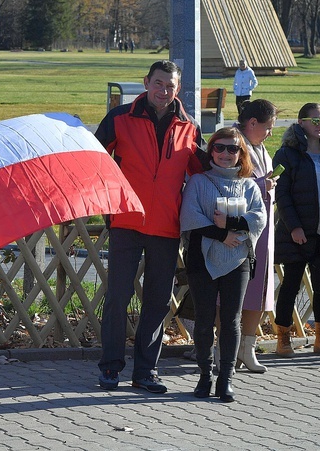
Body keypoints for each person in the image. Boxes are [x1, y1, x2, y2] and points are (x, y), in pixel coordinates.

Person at [95, 60, 206, 393]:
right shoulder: (120, 118)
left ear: (178, 89)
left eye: (170, 86)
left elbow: (205, 174)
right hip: (126, 221)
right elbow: (95, 158)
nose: (163, 91)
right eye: (158, 83)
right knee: (117, 296)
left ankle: (145, 371)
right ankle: (111, 367)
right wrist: (107, 204)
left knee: (158, 301)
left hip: (166, 226)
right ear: (146, 83)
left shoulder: (189, 127)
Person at [180, 127, 266, 402]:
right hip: (201, 259)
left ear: (242, 154)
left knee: (231, 320)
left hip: (238, 259)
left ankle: (226, 378)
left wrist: (232, 227)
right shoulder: (197, 182)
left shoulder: (250, 185)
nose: (226, 154)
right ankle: (205, 376)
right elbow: (190, 217)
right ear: (211, 151)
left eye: (233, 149)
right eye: (220, 148)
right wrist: (223, 235)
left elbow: (259, 218)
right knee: (204, 321)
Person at [272, 103, 320, 357]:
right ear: (300, 122)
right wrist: (293, 227)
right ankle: (283, 336)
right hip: (299, 233)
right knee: (291, 285)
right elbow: (281, 195)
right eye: (314, 120)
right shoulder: (287, 154)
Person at [231, 99, 279, 373]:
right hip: (239, 229)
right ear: (252, 124)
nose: (270, 133)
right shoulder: (233, 144)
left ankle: (247, 348)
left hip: (263, 229)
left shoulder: (260, 148)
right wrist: (262, 184)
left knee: (259, 289)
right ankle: (226, 347)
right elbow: (229, 181)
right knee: (234, 289)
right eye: (268, 127)